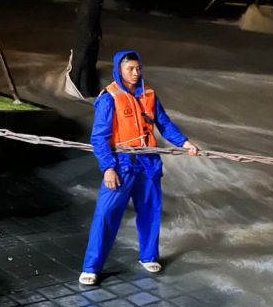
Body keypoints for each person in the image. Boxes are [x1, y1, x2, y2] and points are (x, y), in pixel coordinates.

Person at [80, 50, 199, 285]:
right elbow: (99, 137)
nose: (135, 73)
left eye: (138, 68)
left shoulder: (150, 96)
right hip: (122, 164)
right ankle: (91, 267)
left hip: (148, 164)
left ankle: (149, 256)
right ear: (119, 70)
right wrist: (108, 168)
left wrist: (185, 143)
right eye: (129, 69)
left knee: (150, 212)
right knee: (106, 214)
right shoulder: (109, 98)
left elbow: (164, 123)